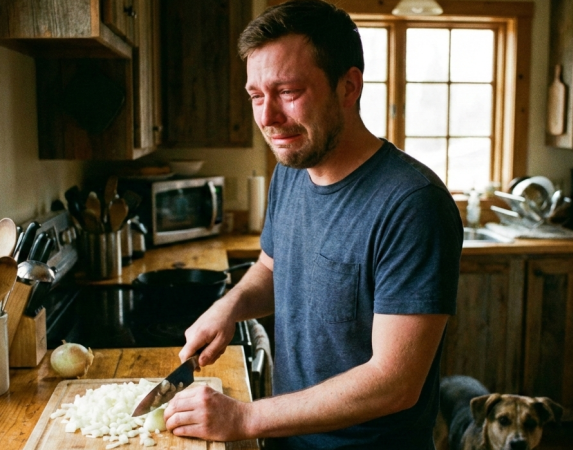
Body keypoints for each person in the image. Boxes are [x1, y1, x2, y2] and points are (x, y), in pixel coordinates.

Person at [163, 1, 463, 448]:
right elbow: (272, 267)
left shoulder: (412, 204)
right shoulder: (292, 170)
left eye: (286, 92)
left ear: (349, 86)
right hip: (288, 438)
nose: (267, 118)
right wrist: (229, 307)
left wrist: (245, 418)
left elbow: (395, 381)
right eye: (255, 96)